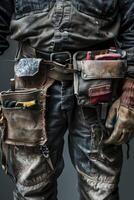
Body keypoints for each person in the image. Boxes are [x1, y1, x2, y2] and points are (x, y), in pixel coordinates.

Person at [0, 0, 134, 199]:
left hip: (98, 86)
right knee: (30, 188)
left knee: (101, 189)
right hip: (32, 84)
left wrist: (130, 90)